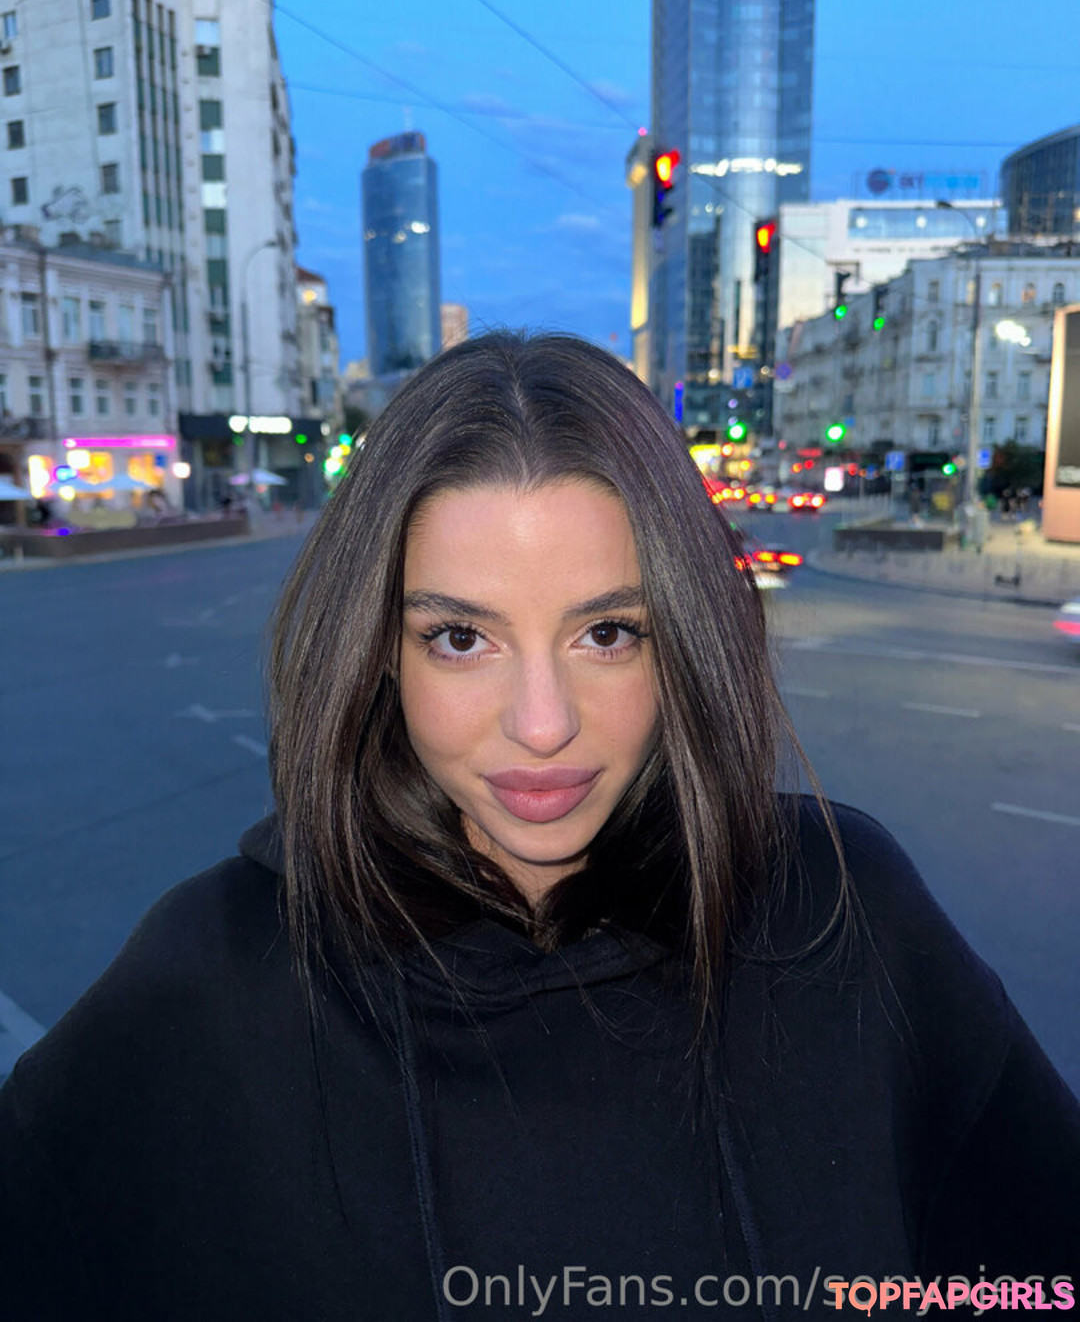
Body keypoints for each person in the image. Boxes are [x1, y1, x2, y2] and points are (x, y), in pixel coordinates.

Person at [0, 331, 1077, 1321]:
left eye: (607, 632)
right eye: (460, 638)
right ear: (379, 651)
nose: (544, 724)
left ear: (685, 635)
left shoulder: (839, 910)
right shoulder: (216, 975)